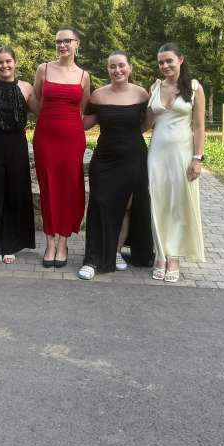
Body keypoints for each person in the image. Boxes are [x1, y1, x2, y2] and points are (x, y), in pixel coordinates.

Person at [78, 52, 155, 280]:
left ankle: (116, 251)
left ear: (130, 67)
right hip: (104, 158)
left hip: (134, 157)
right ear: (108, 69)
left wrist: (127, 138)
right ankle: (92, 259)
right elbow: (84, 124)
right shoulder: (98, 95)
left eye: (121, 65)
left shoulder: (141, 93)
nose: (117, 70)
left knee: (127, 205)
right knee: (100, 203)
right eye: (112, 66)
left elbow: (147, 123)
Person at [145, 43, 206, 282]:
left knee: (178, 205)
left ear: (181, 59)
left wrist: (197, 159)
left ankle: (174, 258)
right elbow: (146, 123)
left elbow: (199, 127)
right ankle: (160, 256)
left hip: (182, 154)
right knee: (158, 203)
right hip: (156, 154)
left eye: (169, 60)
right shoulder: (155, 87)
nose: (165, 66)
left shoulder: (195, 88)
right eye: (161, 62)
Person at [32, 26, 90, 268]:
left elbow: (82, 110)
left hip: (72, 139)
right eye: (58, 41)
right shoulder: (43, 69)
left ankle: (63, 243)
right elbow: (35, 99)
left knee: (68, 189)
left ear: (77, 44)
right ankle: (50, 243)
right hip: (45, 137)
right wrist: (49, 120)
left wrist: (67, 125)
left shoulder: (84, 76)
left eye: (67, 41)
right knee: (47, 187)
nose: (62, 45)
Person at [0, 46, 39, 264]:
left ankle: (11, 244)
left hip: (17, 144)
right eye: (0, 62)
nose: (4, 66)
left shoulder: (26, 87)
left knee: (15, 192)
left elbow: (41, 113)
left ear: (15, 62)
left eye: (8, 61)